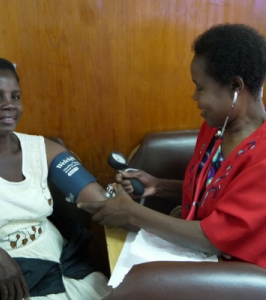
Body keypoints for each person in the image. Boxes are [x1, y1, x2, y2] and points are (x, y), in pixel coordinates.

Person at [78, 23, 266, 268]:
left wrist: (132, 213)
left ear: (235, 87)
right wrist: (158, 187)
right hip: (194, 256)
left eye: (200, 87)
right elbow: (215, 194)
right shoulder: (214, 128)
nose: (194, 96)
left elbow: (213, 239)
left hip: (237, 275)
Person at [0, 56, 112, 299]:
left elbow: (98, 201)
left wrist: (123, 206)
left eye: (15, 96)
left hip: (65, 264)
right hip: (0, 281)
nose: (10, 104)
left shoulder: (44, 150)